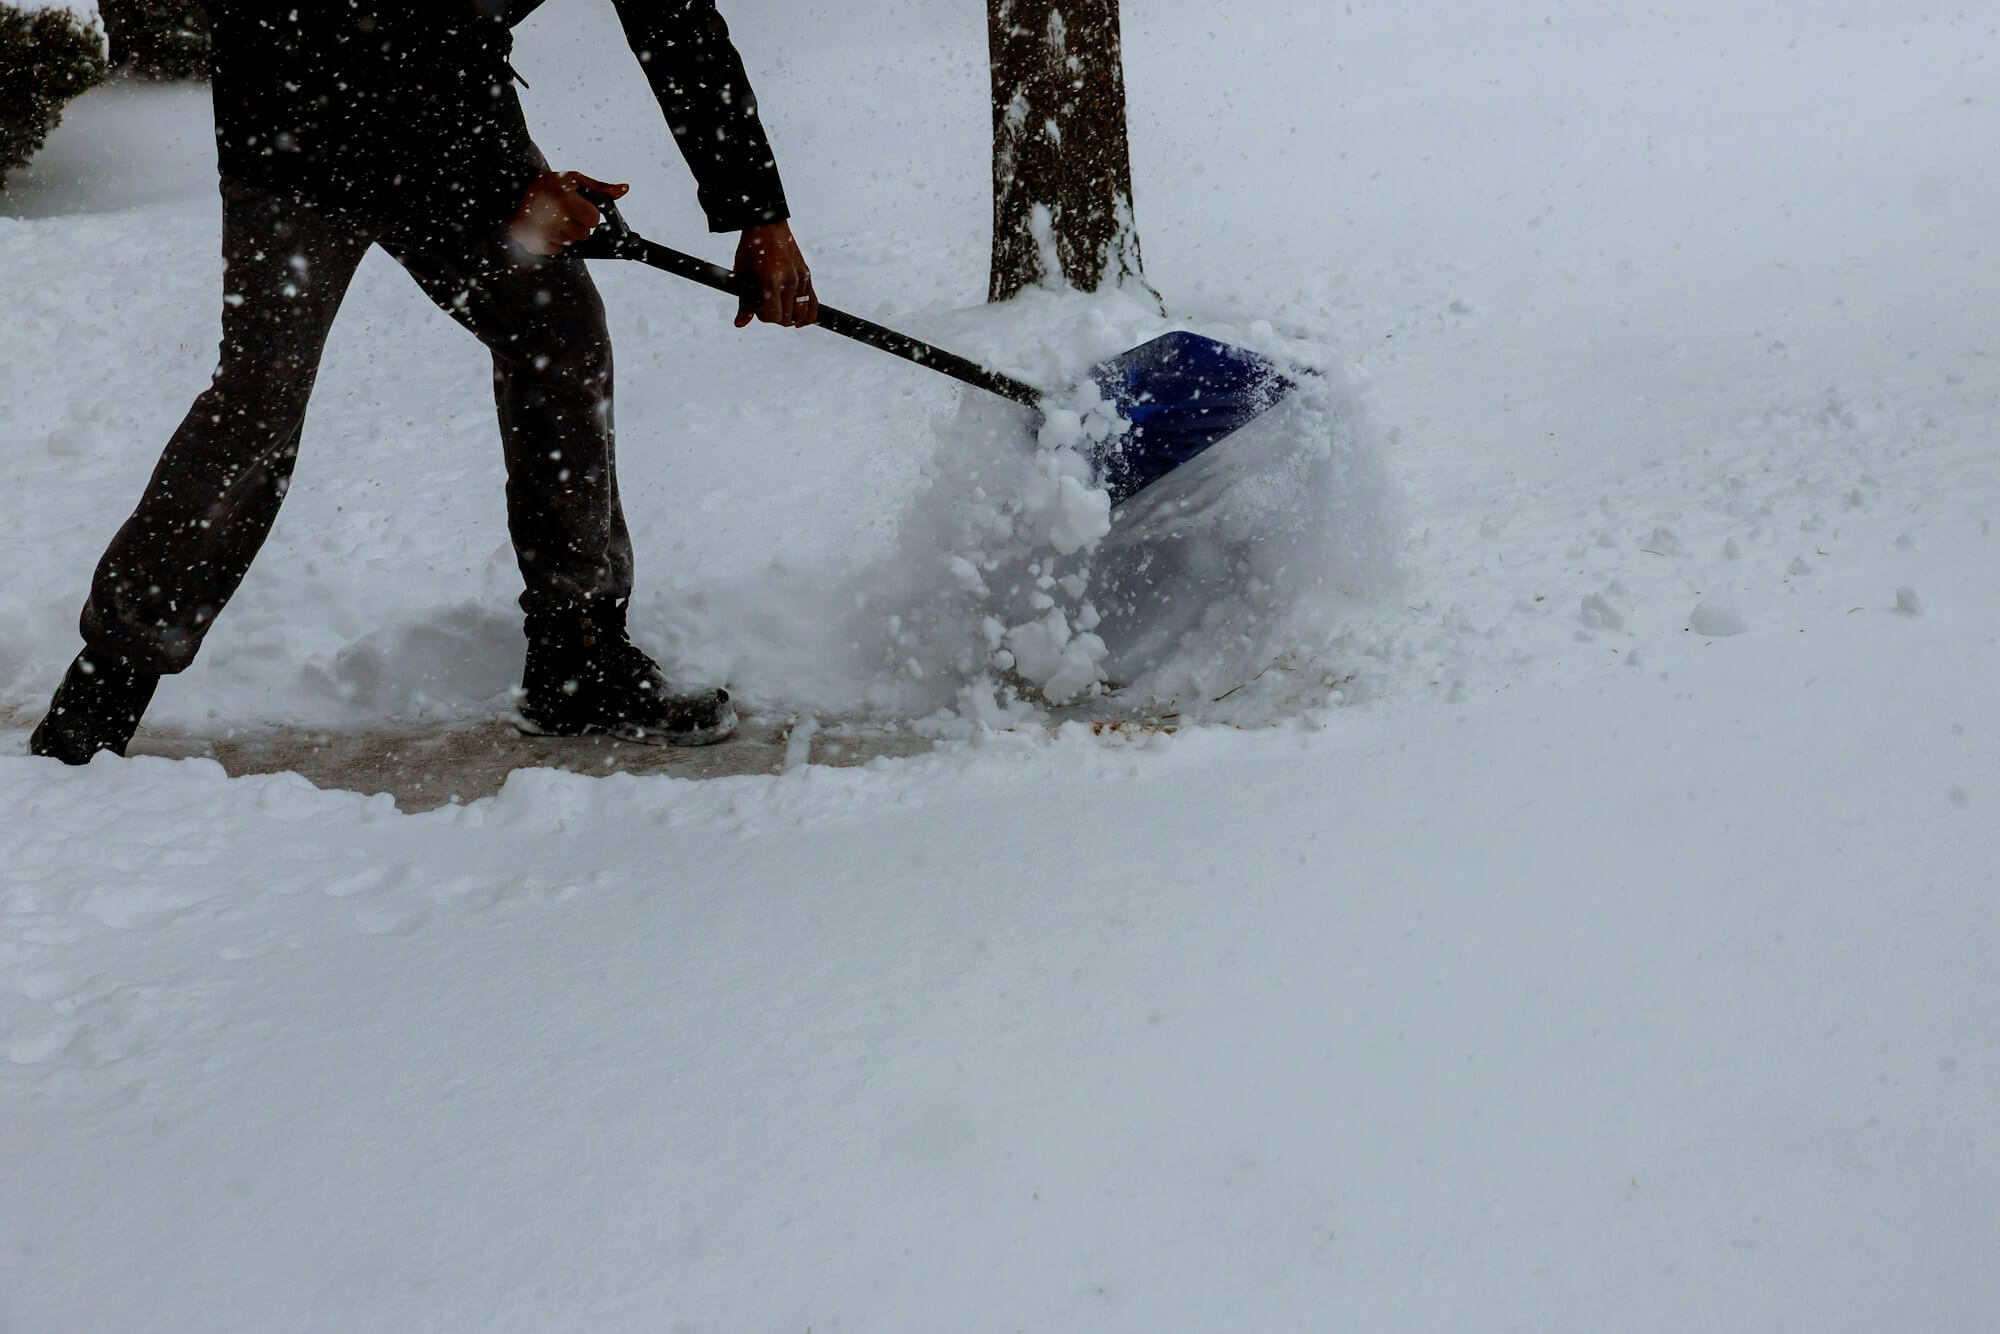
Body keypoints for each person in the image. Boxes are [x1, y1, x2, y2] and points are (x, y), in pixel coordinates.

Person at [30, 0, 816, 764]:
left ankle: (579, 661)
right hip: (291, 114)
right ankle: (104, 691)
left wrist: (759, 215)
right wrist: (503, 189)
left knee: (559, 341)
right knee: (258, 400)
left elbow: (675, 24)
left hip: (449, 110)